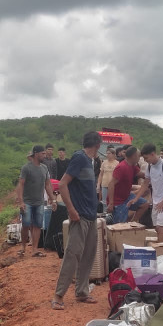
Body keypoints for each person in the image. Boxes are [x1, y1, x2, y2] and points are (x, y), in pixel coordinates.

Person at [52, 132, 102, 310]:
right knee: (73, 254)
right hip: (79, 216)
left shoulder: (90, 161)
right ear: (97, 145)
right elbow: (63, 184)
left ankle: (81, 292)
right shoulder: (79, 158)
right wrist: (71, 210)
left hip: (91, 215)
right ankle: (58, 296)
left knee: (88, 255)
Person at [130, 143, 163, 243]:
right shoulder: (149, 167)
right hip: (156, 201)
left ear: (152, 154)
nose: (145, 160)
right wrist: (136, 198)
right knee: (157, 228)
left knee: (159, 228)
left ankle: (161, 252)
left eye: (146, 158)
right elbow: (145, 184)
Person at [15, 145, 56, 258]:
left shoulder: (44, 168)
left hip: (39, 202)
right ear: (36, 154)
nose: (44, 155)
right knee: (26, 224)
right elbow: (21, 184)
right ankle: (23, 247)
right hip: (27, 201)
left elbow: (48, 184)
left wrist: (53, 199)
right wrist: (21, 202)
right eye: (42, 153)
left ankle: (34, 249)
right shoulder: (26, 168)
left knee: (37, 225)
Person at [108, 146, 148, 224]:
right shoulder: (121, 167)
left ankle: (133, 223)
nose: (139, 158)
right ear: (134, 156)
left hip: (127, 197)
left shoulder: (133, 166)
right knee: (119, 226)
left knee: (144, 204)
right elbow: (111, 184)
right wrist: (111, 203)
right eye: (139, 156)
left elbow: (143, 175)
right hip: (118, 201)